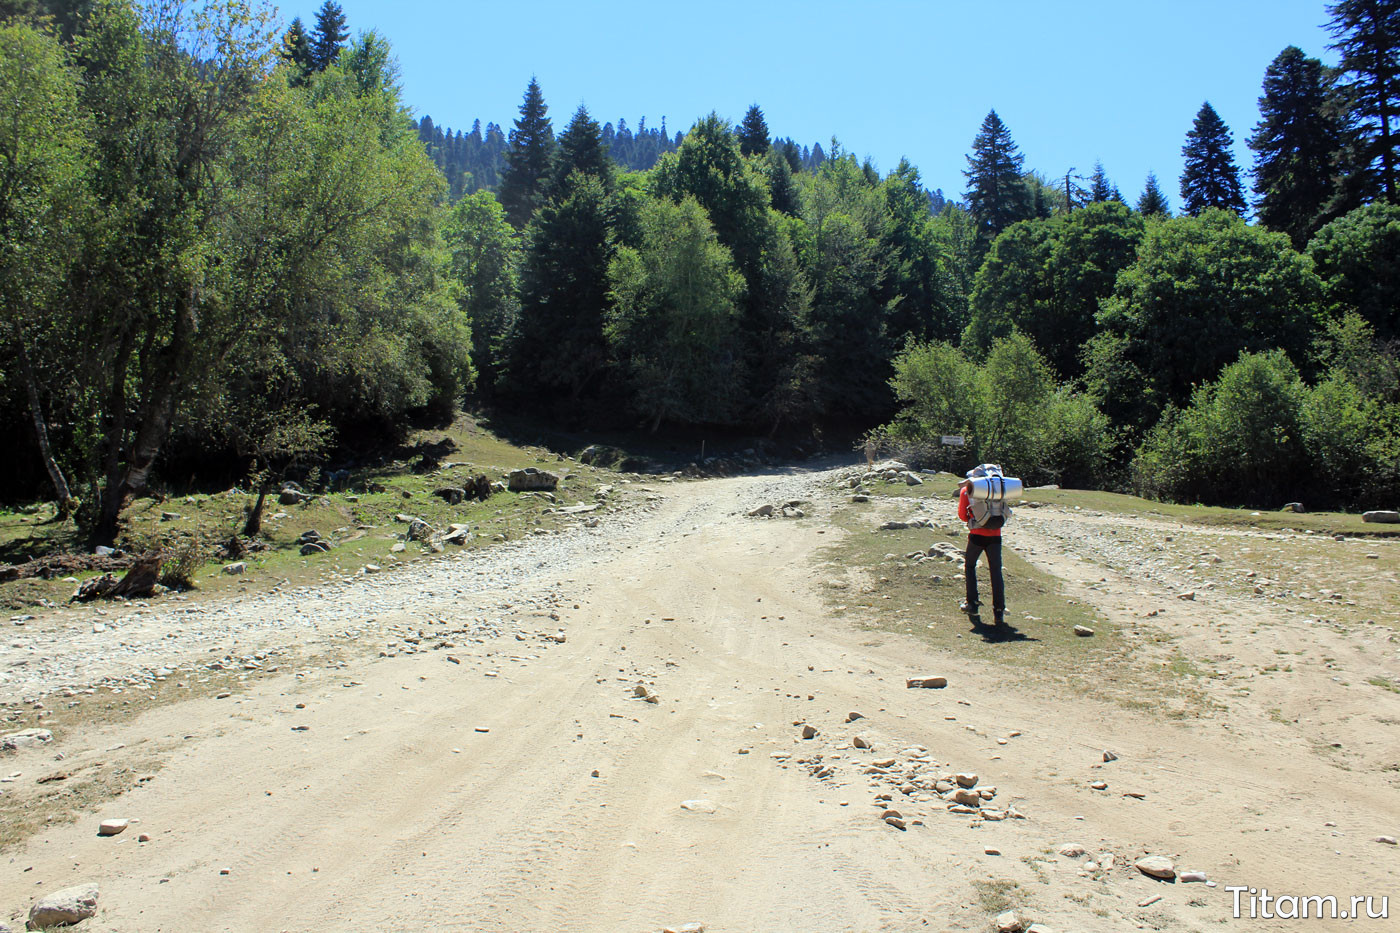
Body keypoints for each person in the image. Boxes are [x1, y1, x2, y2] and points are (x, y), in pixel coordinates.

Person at [957, 474, 1005, 625]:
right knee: (996, 571)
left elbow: (963, 516)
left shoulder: (966, 490)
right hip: (995, 536)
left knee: (970, 566)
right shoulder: (998, 489)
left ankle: (972, 603)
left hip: (977, 536)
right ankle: (999, 610)